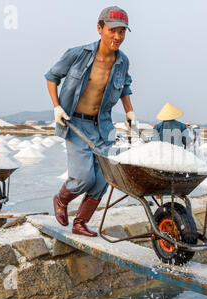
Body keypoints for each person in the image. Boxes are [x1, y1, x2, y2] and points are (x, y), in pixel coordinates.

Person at [45, 6, 136, 237]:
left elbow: (125, 86)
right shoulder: (78, 54)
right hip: (75, 123)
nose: (117, 37)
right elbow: (52, 77)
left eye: (122, 32)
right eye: (113, 30)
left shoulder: (122, 61)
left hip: (103, 125)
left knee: (104, 178)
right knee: (84, 177)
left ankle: (80, 223)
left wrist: (130, 112)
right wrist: (56, 107)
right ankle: (61, 199)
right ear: (100, 28)